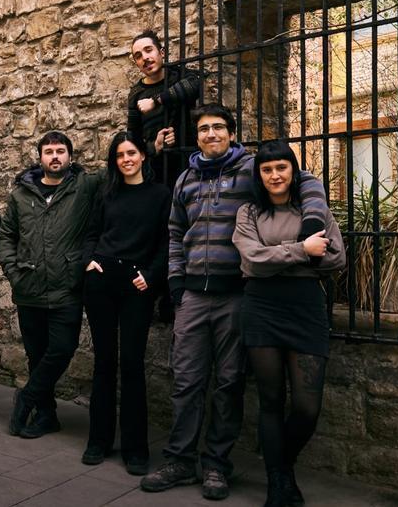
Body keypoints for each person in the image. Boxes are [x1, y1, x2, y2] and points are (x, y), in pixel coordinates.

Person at [141, 104, 329, 501]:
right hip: (192, 294)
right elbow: (175, 233)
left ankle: (216, 466)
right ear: (197, 135)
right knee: (187, 380)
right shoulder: (185, 179)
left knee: (228, 383)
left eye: (218, 128)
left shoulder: (250, 168)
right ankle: (179, 459)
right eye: (204, 129)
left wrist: (313, 221)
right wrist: (176, 283)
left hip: (236, 295)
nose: (211, 134)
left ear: (231, 132)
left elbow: (305, 180)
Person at [233, 140, 345, 507]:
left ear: (294, 171)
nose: (275, 175)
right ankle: (278, 482)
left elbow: (335, 259)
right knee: (270, 399)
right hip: (261, 306)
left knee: (306, 407)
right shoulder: (249, 213)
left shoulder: (313, 210)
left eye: (281, 167)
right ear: (259, 175)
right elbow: (251, 261)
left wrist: (276, 257)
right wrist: (301, 251)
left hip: (305, 307)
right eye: (266, 169)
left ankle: (282, 462)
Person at [0, 131, 103, 439]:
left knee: (62, 349)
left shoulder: (84, 186)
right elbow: (6, 236)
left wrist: (153, 144)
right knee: (35, 353)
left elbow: (122, 166)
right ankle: (46, 415)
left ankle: (27, 397)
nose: (54, 156)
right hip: (28, 288)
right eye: (49, 151)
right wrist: (12, 271)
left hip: (66, 288)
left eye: (60, 151)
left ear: (70, 156)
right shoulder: (20, 194)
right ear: (40, 157)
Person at [79, 132, 170, 476]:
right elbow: (90, 233)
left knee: (132, 364)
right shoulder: (107, 193)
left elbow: (166, 242)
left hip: (137, 284)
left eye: (131, 153)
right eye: (120, 155)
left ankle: (136, 448)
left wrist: (152, 275)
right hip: (101, 280)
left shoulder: (161, 195)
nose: (126, 159)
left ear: (143, 156)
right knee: (104, 362)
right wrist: (89, 261)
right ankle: (98, 441)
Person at [126, 29, 202, 188]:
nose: (145, 58)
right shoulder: (136, 94)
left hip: (188, 160)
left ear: (161, 53)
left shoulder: (178, 76)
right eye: (138, 56)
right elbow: (133, 138)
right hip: (157, 169)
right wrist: (155, 146)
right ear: (136, 63)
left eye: (148, 50)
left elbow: (194, 85)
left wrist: (156, 101)